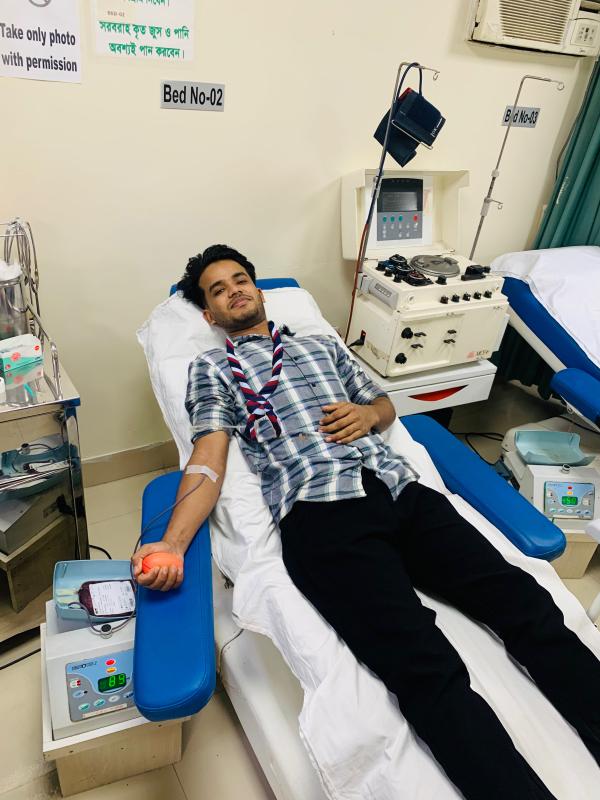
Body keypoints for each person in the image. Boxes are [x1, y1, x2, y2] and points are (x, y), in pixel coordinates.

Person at [133, 244, 600, 800]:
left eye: (240, 280)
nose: (234, 290)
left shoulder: (319, 346)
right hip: (323, 518)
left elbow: (383, 406)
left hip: (402, 492)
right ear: (210, 315)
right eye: (218, 289)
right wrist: (172, 542)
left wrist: (367, 414)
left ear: (258, 292)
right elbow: (208, 459)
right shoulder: (212, 368)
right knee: (423, 665)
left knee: (526, 604)